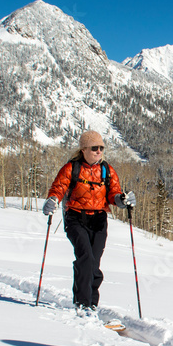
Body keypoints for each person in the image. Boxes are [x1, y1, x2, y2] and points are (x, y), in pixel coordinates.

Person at [42, 130, 136, 315]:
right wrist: (52, 200)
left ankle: (92, 302)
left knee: (94, 263)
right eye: (95, 148)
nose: (99, 151)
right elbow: (58, 188)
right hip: (75, 218)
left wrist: (122, 200)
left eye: (101, 148)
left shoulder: (107, 170)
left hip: (99, 220)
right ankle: (83, 303)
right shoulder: (71, 168)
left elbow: (113, 193)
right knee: (85, 257)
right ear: (83, 149)